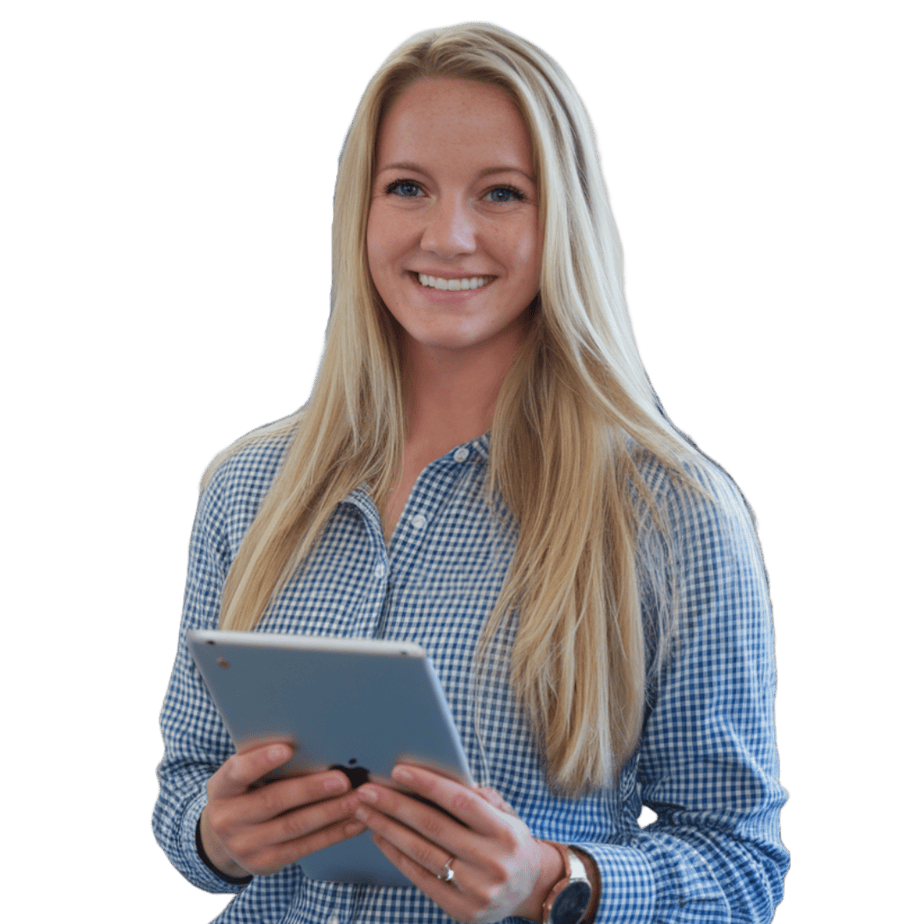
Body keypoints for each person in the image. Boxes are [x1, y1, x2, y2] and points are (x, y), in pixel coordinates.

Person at [152, 20, 789, 924]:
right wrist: (218, 835)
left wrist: (550, 883)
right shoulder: (245, 487)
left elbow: (742, 865)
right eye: (407, 187)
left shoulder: (671, 514)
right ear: (361, 211)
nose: (447, 236)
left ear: (562, 216)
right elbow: (185, 782)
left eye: (501, 194)